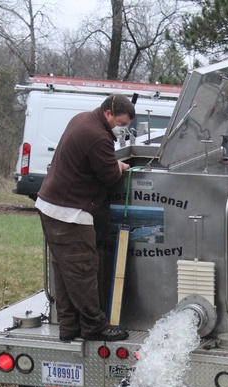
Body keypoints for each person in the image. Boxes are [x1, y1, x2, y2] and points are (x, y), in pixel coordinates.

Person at [35, 94, 134, 342]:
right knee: (83, 270)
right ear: (108, 114)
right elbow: (109, 176)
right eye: (120, 123)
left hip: (51, 206)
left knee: (66, 272)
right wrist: (119, 166)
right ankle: (94, 327)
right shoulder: (98, 136)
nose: (121, 129)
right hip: (69, 214)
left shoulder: (81, 119)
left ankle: (69, 327)